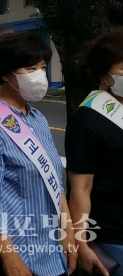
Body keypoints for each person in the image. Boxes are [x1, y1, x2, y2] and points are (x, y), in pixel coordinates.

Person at [0, 31, 76, 276]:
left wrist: (68, 233)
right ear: (5, 74)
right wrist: (9, 258)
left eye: (42, 67)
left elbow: (56, 184)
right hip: (8, 255)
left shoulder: (37, 118)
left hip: (49, 249)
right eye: (30, 68)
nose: (39, 75)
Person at [66, 30, 123, 276]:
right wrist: (81, 242)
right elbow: (81, 188)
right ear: (104, 74)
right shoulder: (87, 119)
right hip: (114, 237)